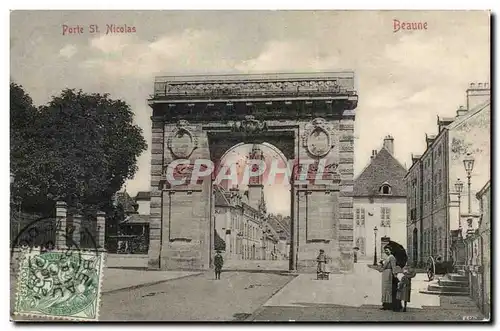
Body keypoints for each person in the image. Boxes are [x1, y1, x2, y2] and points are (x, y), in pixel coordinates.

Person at [377, 245, 401, 311]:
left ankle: (388, 305)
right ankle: (385, 304)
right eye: (385, 250)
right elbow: (384, 266)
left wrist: (395, 276)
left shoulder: (392, 257)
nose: (386, 251)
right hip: (385, 274)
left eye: (387, 250)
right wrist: (382, 263)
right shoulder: (388, 257)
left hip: (389, 274)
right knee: (385, 289)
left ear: (391, 250)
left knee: (388, 289)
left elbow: (393, 267)